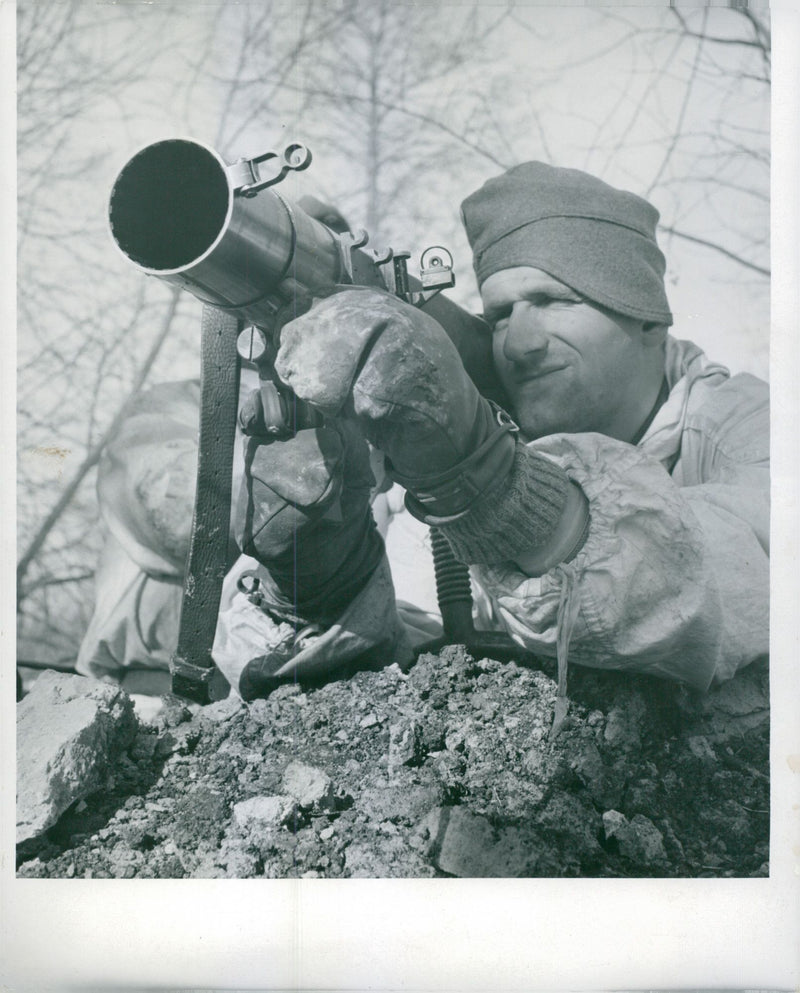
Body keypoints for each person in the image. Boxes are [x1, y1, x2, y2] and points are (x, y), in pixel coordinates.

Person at [77, 162, 769, 704]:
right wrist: (315, 573)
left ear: (648, 314)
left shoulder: (745, 424)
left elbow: (747, 569)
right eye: (499, 315)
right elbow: (381, 682)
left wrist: (495, 486)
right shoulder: (437, 453)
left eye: (553, 301)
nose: (519, 344)